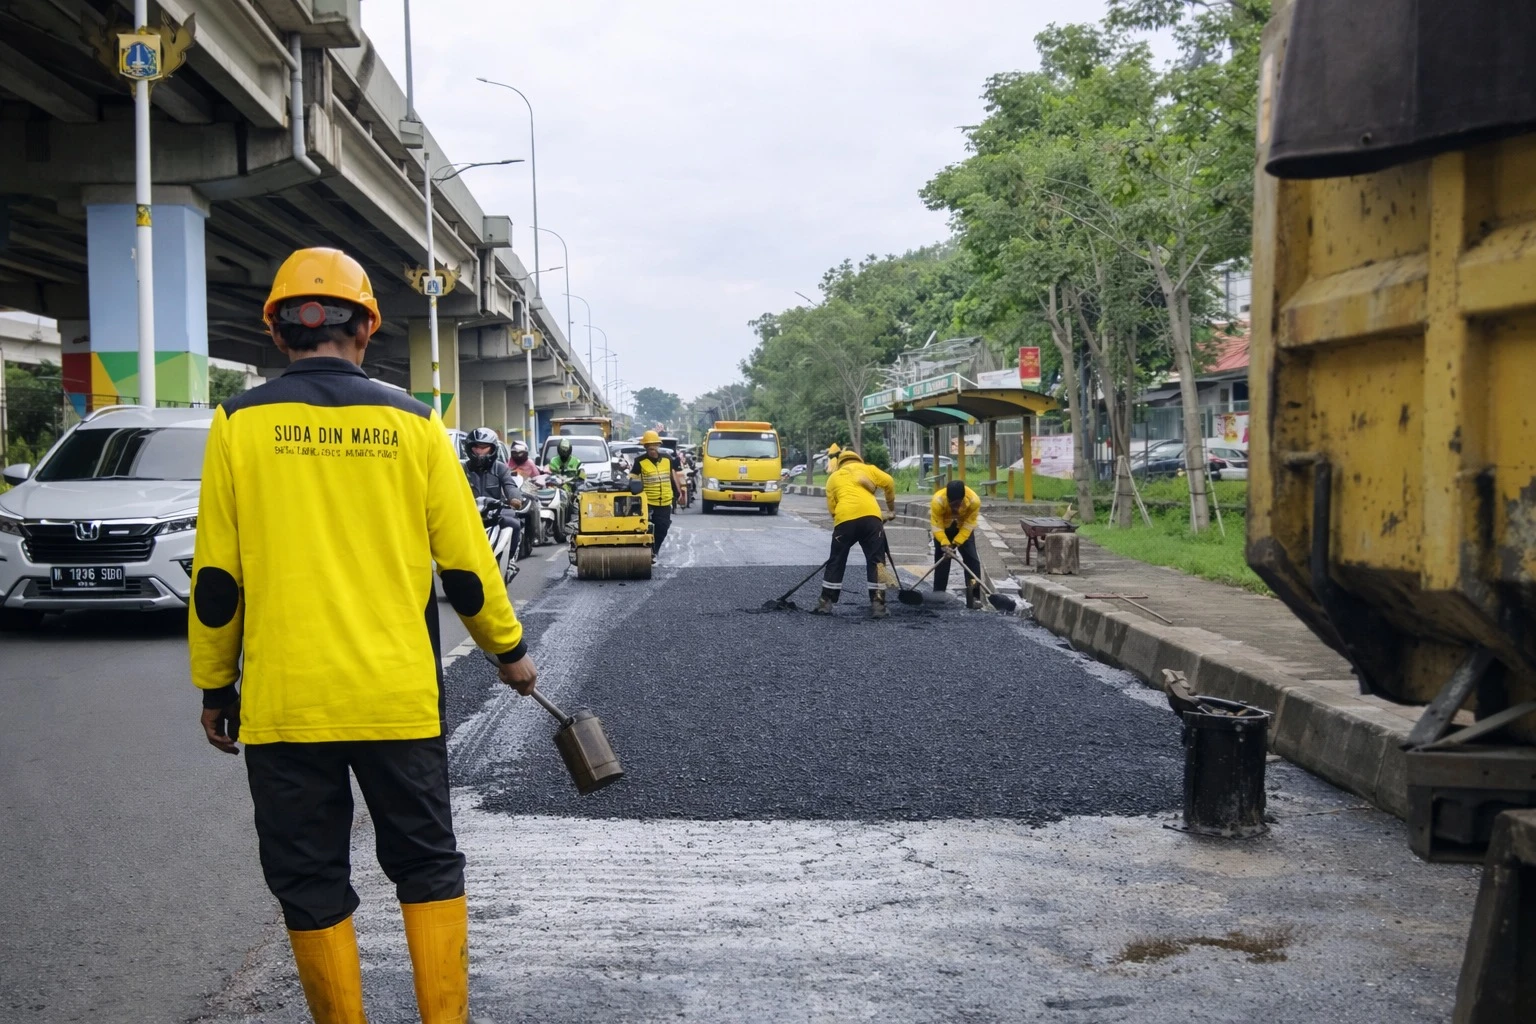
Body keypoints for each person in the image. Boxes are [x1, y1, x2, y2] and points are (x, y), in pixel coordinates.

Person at [190, 247, 539, 1024]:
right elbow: (467, 567)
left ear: (280, 331)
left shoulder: (238, 423)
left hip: (287, 705)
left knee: (308, 874)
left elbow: (217, 580)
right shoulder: (415, 425)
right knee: (425, 863)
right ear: (368, 327)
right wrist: (508, 654)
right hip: (399, 699)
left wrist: (216, 685)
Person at [813, 449, 897, 619]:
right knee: (877, 562)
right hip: (872, 521)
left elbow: (832, 508)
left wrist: (843, 527)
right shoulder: (868, 469)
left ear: (840, 463)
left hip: (845, 520)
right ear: (859, 459)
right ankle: (878, 605)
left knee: (836, 560)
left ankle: (825, 603)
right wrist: (890, 508)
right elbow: (889, 482)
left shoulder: (833, 478)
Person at [463, 425, 527, 567]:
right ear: (469, 448)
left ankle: (509, 560)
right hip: (467, 514)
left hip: (494, 513)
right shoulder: (461, 469)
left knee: (514, 524)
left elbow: (510, 485)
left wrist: (515, 498)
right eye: (476, 447)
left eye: (484, 447)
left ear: (492, 449)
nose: (480, 452)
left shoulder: (500, 468)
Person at [630, 429, 686, 565]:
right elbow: (633, 480)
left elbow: (674, 477)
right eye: (648, 446)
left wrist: (680, 492)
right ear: (645, 447)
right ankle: (647, 552)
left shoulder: (667, 459)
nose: (651, 448)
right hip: (647, 502)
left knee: (662, 528)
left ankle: (654, 551)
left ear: (658, 445)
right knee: (645, 529)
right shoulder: (639, 461)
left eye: (654, 445)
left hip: (665, 500)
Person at [931, 478, 983, 609]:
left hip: (963, 527)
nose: (954, 507)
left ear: (963, 498)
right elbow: (937, 526)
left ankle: (974, 597)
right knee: (942, 560)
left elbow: (969, 525)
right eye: (951, 503)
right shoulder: (938, 501)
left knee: (972, 561)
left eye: (957, 504)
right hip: (944, 528)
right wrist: (944, 544)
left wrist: (956, 543)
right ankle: (938, 596)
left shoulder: (973, 501)